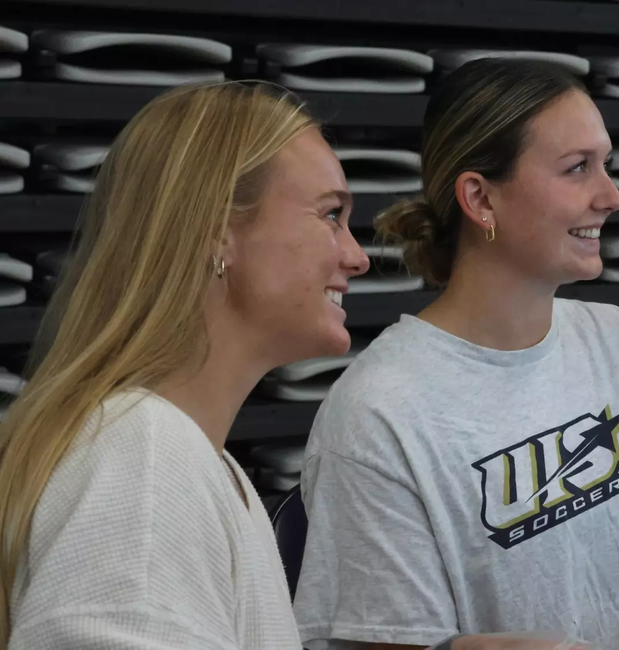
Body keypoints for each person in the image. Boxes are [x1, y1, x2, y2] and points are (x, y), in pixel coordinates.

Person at [293, 58, 619, 650]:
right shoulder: (378, 413)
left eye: (608, 166)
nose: (613, 196)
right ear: (480, 198)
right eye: (578, 169)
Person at [0, 82, 373, 648]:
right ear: (217, 230)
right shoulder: (145, 459)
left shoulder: (185, 457)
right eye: (330, 215)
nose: (358, 256)